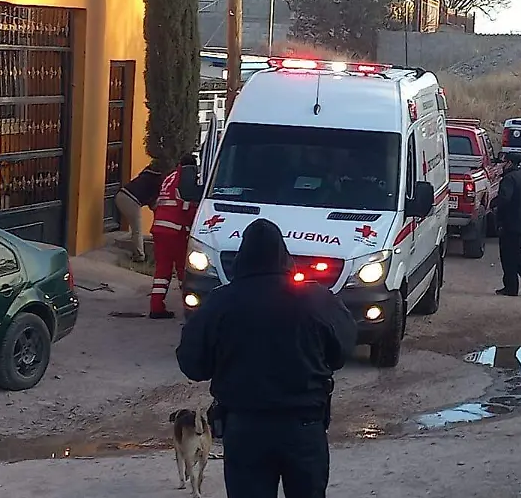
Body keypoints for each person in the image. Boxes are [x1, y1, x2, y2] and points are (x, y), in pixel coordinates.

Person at [176, 218, 357, 498]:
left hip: (245, 429)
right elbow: (342, 349)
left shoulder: (222, 302)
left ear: (242, 258)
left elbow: (192, 363)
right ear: (284, 257)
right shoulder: (315, 299)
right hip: (304, 427)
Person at [149, 154, 202, 319]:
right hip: (175, 230)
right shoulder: (185, 178)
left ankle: (156, 307)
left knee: (162, 270)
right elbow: (187, 205)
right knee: (183, 270)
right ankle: (192, 307)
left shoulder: (170, 177)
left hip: (160, 228)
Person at [494, 152, 521, 296]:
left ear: (509, 163)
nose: (501, 164)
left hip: (513, 223)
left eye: (503, 162)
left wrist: (493, 207)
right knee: (513, 252)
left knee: (508, 255)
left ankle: (515, 285)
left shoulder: (508, 179)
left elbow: (504, 200)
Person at [115, 163, 164, 262]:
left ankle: (138, 254)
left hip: (122, 194)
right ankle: (139, 257)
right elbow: (153, 204)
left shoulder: (148, 173)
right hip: (130, 200)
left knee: (136, 229)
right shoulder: (158, 182)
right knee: (137, 229)